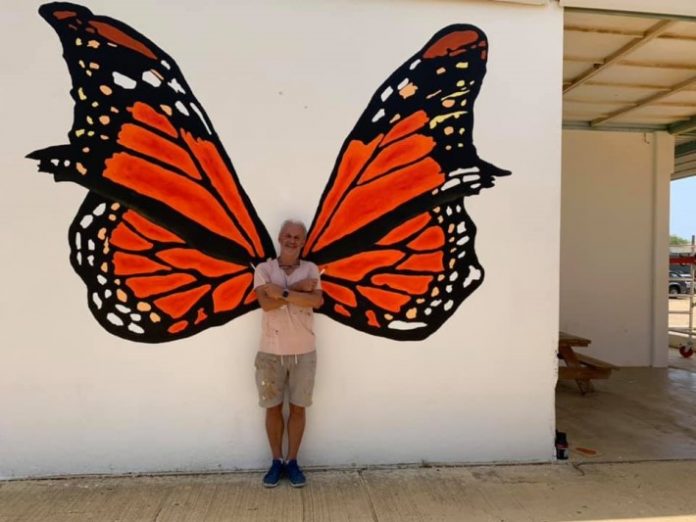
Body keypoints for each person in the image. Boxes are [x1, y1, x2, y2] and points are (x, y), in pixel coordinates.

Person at [253, 219, 323, 488]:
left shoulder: (311, 269)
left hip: (304, 352)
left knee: (298, 408)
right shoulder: (264, 269)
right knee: (272, 408)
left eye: (297, 237)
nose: (292, 240)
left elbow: (316, 301)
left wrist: (281, 292)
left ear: (303, 242)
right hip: (270, 352)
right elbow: (266, 304)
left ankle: (292, 462)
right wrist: (298, 291)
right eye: (288, 235)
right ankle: (276, 461)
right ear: (280, 238)